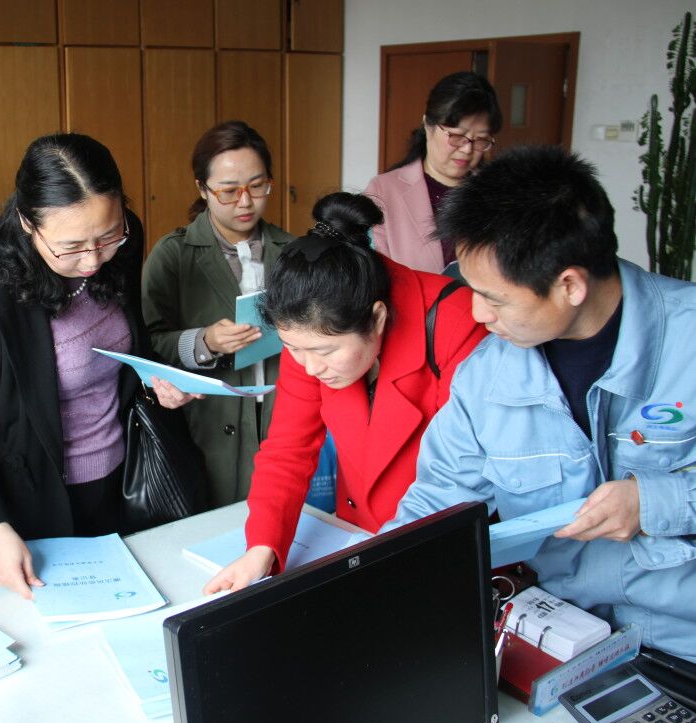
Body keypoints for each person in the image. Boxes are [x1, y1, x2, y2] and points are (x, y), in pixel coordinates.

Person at [384, 146, 696, 662]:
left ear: (569, 284)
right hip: (563, 640)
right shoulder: (484, 377)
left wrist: (657, 501)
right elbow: (436, 504)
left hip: (683, 645)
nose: (477, 313)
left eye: (495, 298)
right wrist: (368, 579)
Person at [0, 133, 192, 597]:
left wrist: (156, 377)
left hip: (126, 476)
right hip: (34, 502)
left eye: (107, 237)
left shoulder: (122, 241)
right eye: (71, 247)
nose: (93, 260)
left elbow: (130, 344)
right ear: (27, 223)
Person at [204, 193, 486, 593]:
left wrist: (388, 560)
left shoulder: (456, 324)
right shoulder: (308, 328)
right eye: (292, 349)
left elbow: (458, 478)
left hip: (434, 543)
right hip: (356, 538)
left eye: (324, 353)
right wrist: (262, 546)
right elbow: (288, 449)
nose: (309, 368)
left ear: (377, 318)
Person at [142, 120, 293, 508]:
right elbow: (149, 343)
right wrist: (204, 341)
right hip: (207, 427)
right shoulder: (174, 255)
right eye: (228, 191)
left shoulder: (292, 251)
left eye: (257, 186)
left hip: (282, 419)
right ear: (202, 189)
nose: (245, 202)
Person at [365, 72, 501, 274]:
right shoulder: (383, 191)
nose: (467, 149)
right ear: (428, 126)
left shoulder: (498, 193)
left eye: (481, 139)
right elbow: (370, 272)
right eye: (456, 136)